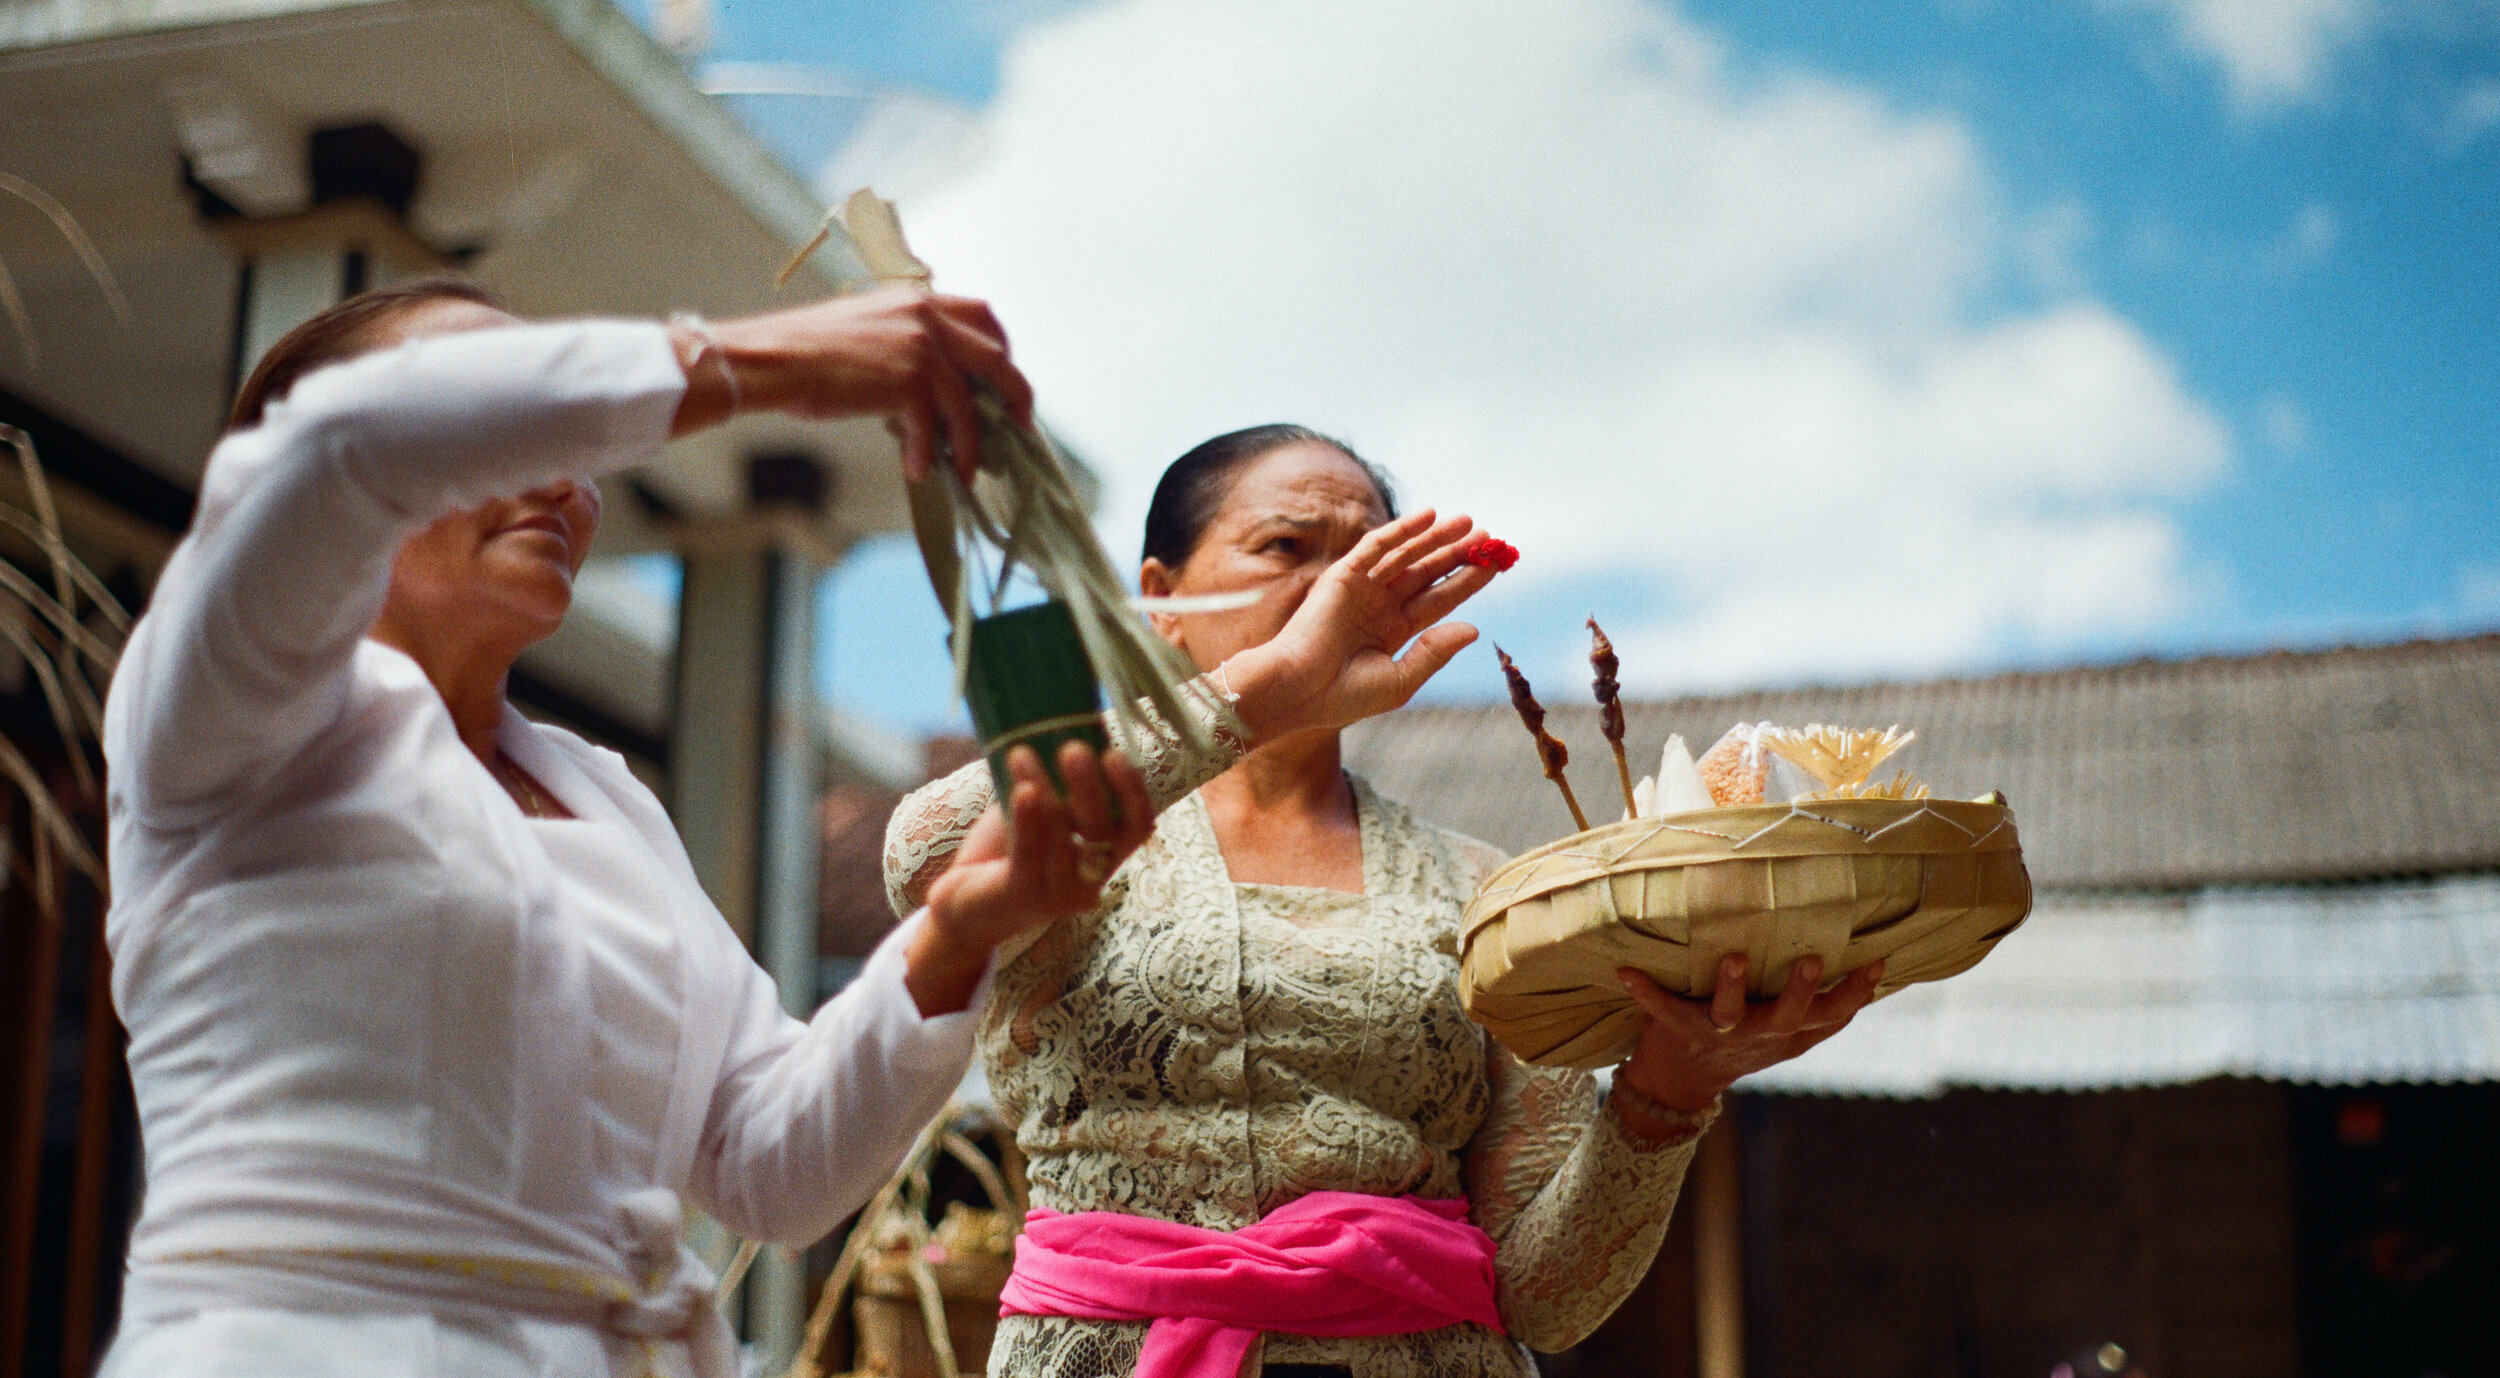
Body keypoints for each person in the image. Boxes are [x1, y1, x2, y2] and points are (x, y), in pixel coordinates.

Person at [98, 277, 1164, 1378]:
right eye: (500, 420)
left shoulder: (601, 795)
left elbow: (771, 1167)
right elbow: (344, 443)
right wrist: (774, 360)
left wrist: (957, 930)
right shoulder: (220, 706)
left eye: (567, 440)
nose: (564, 476)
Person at [885, 425, 1882, 1378]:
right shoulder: (1082, 846)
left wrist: (1670, 1085)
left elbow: (1543, 1300)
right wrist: (1259, 690)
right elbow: (926, 857)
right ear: (1163, 600)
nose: (1334, 591)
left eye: (1367, 559)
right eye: (1286, 546)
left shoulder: (1484, 892)